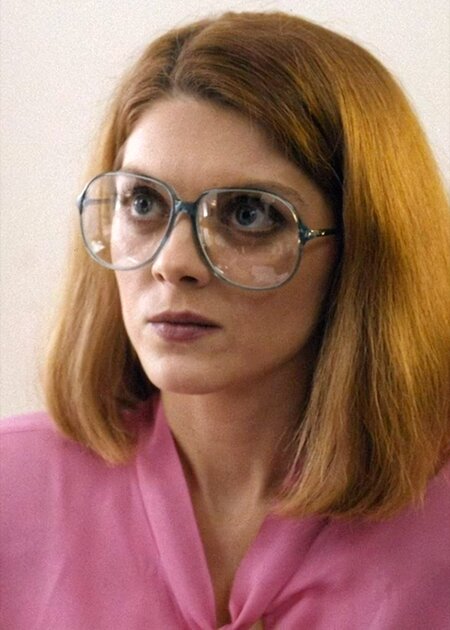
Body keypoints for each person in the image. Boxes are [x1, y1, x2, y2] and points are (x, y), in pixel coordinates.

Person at [1, 10, 449, 630]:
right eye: (143, 202)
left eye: (248, 214)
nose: (174, 263)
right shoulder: (13, 488)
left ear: (363, 251)